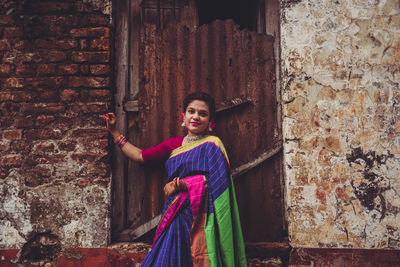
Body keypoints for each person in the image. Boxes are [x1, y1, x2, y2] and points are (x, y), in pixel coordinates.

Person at [105, 92, 246, 267]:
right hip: (176, 214)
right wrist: (114, 132)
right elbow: (141, 156)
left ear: (211, 122)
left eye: (203, 114)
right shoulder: (173, 145)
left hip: (203, 217)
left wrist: (182, 184)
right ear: (183, 116)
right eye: (191, 111)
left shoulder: (213, 145)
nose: (195, 117)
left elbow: (219, 184)